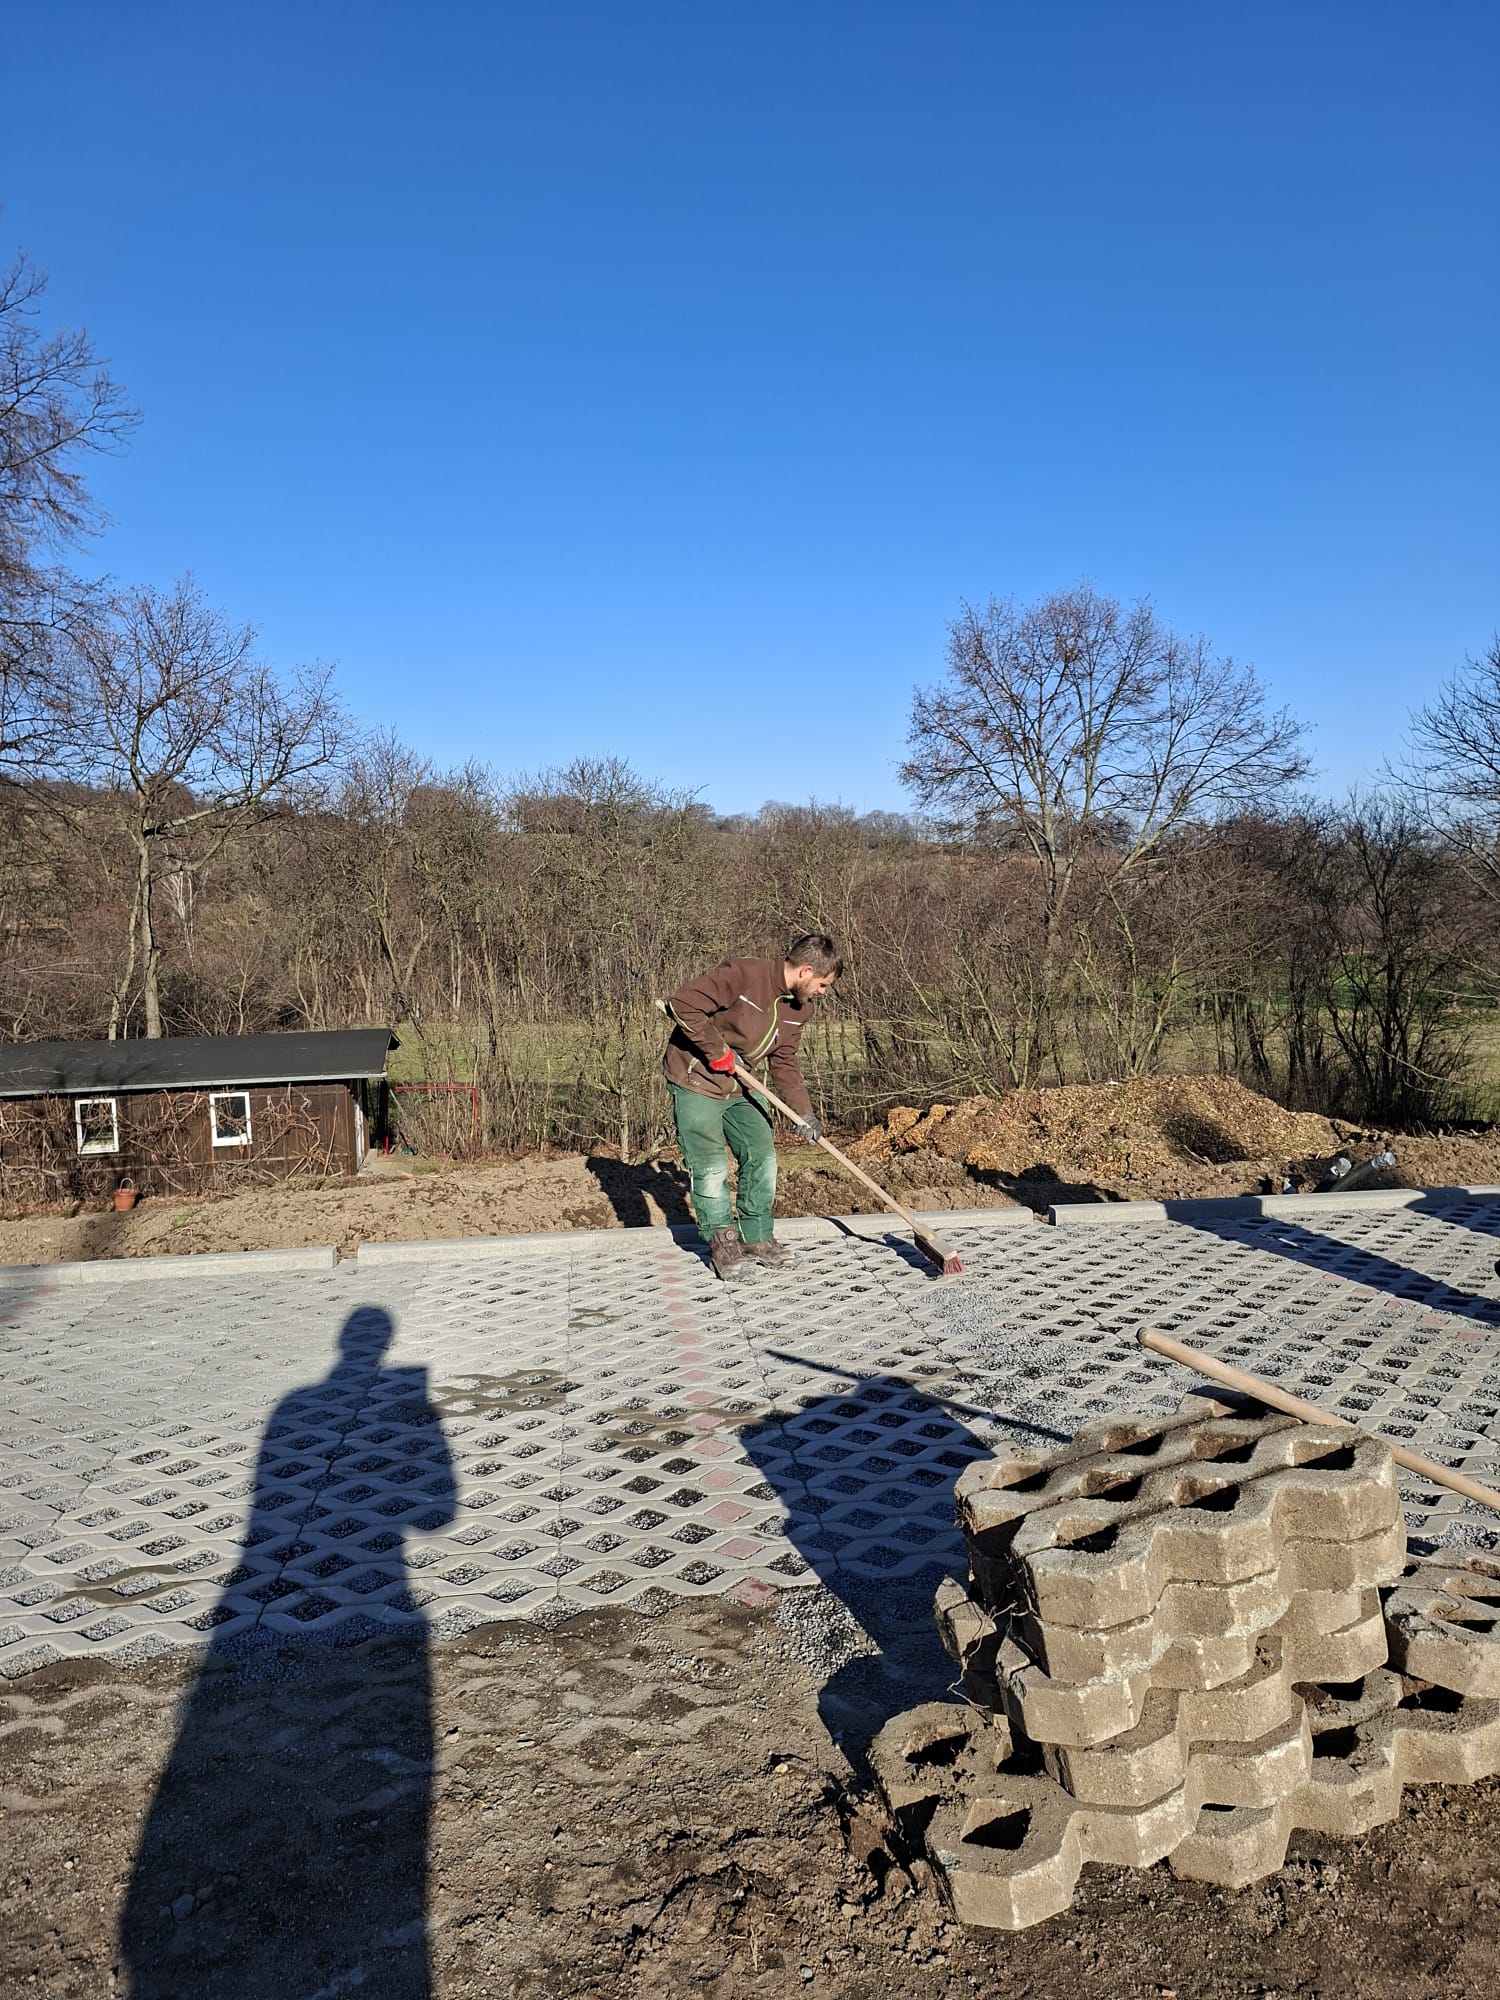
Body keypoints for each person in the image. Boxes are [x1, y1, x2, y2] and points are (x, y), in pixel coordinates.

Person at [662, 932, 842, 1280]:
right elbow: (682, 1003)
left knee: (762, 1155)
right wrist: (718, 1051)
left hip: (742, 1085)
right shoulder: (744, 975)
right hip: (696, 1080)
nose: (823, 992)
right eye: (823, 984)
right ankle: (722, 1242)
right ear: (806, 971)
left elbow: (785, 1061)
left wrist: (803, 1112)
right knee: (711, 1166)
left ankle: (756, 1236)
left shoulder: (798, 1009)